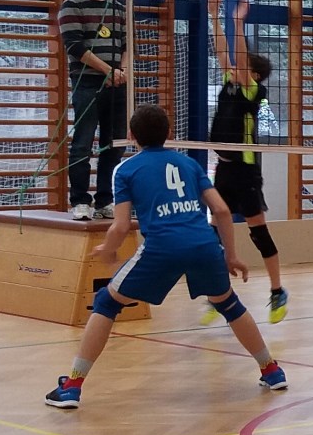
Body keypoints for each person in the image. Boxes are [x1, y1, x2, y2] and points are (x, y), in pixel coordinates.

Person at [42, 105, 287, 408]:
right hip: (203, 244)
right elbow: (222, 211)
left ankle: (72, 386)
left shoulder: (126, 170)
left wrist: (108, 248)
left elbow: (121, 225)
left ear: (131, 136)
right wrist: (231, 255)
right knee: (229, 304)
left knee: (106, 302)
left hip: (162, 247)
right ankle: (271, 370)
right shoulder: (190, 164)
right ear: (169, 133)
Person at [201, 0, 288, 324]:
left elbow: (235, 52)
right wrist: (213, 15)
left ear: (255, 75)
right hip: (223, 168)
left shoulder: (253, 91)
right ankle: (218, 292)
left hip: (245, 170)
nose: (235, 66)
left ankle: (277, 291)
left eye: (243, 65)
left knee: (258, 232)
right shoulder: (230, 82)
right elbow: (223, 51)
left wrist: (238, 21)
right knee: (215, 233)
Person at [59, 0, 129, 220]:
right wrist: (106, 70)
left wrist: (121, 71)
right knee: (83, 144)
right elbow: (75, 47)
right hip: (87, 83)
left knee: (115, 144)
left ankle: (104, 201)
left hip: (116, 84)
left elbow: (126, 46)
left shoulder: (119, 8)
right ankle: (80, 201)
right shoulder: (72, 5)